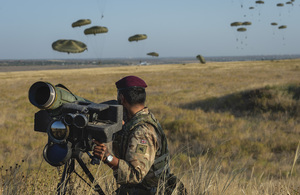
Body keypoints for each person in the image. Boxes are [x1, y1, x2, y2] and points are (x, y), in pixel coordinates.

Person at [93, 76, 185, 195]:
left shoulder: (142, 132)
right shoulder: (138, 119)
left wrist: (107, 157)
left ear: (122, 98)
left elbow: (135, 175)